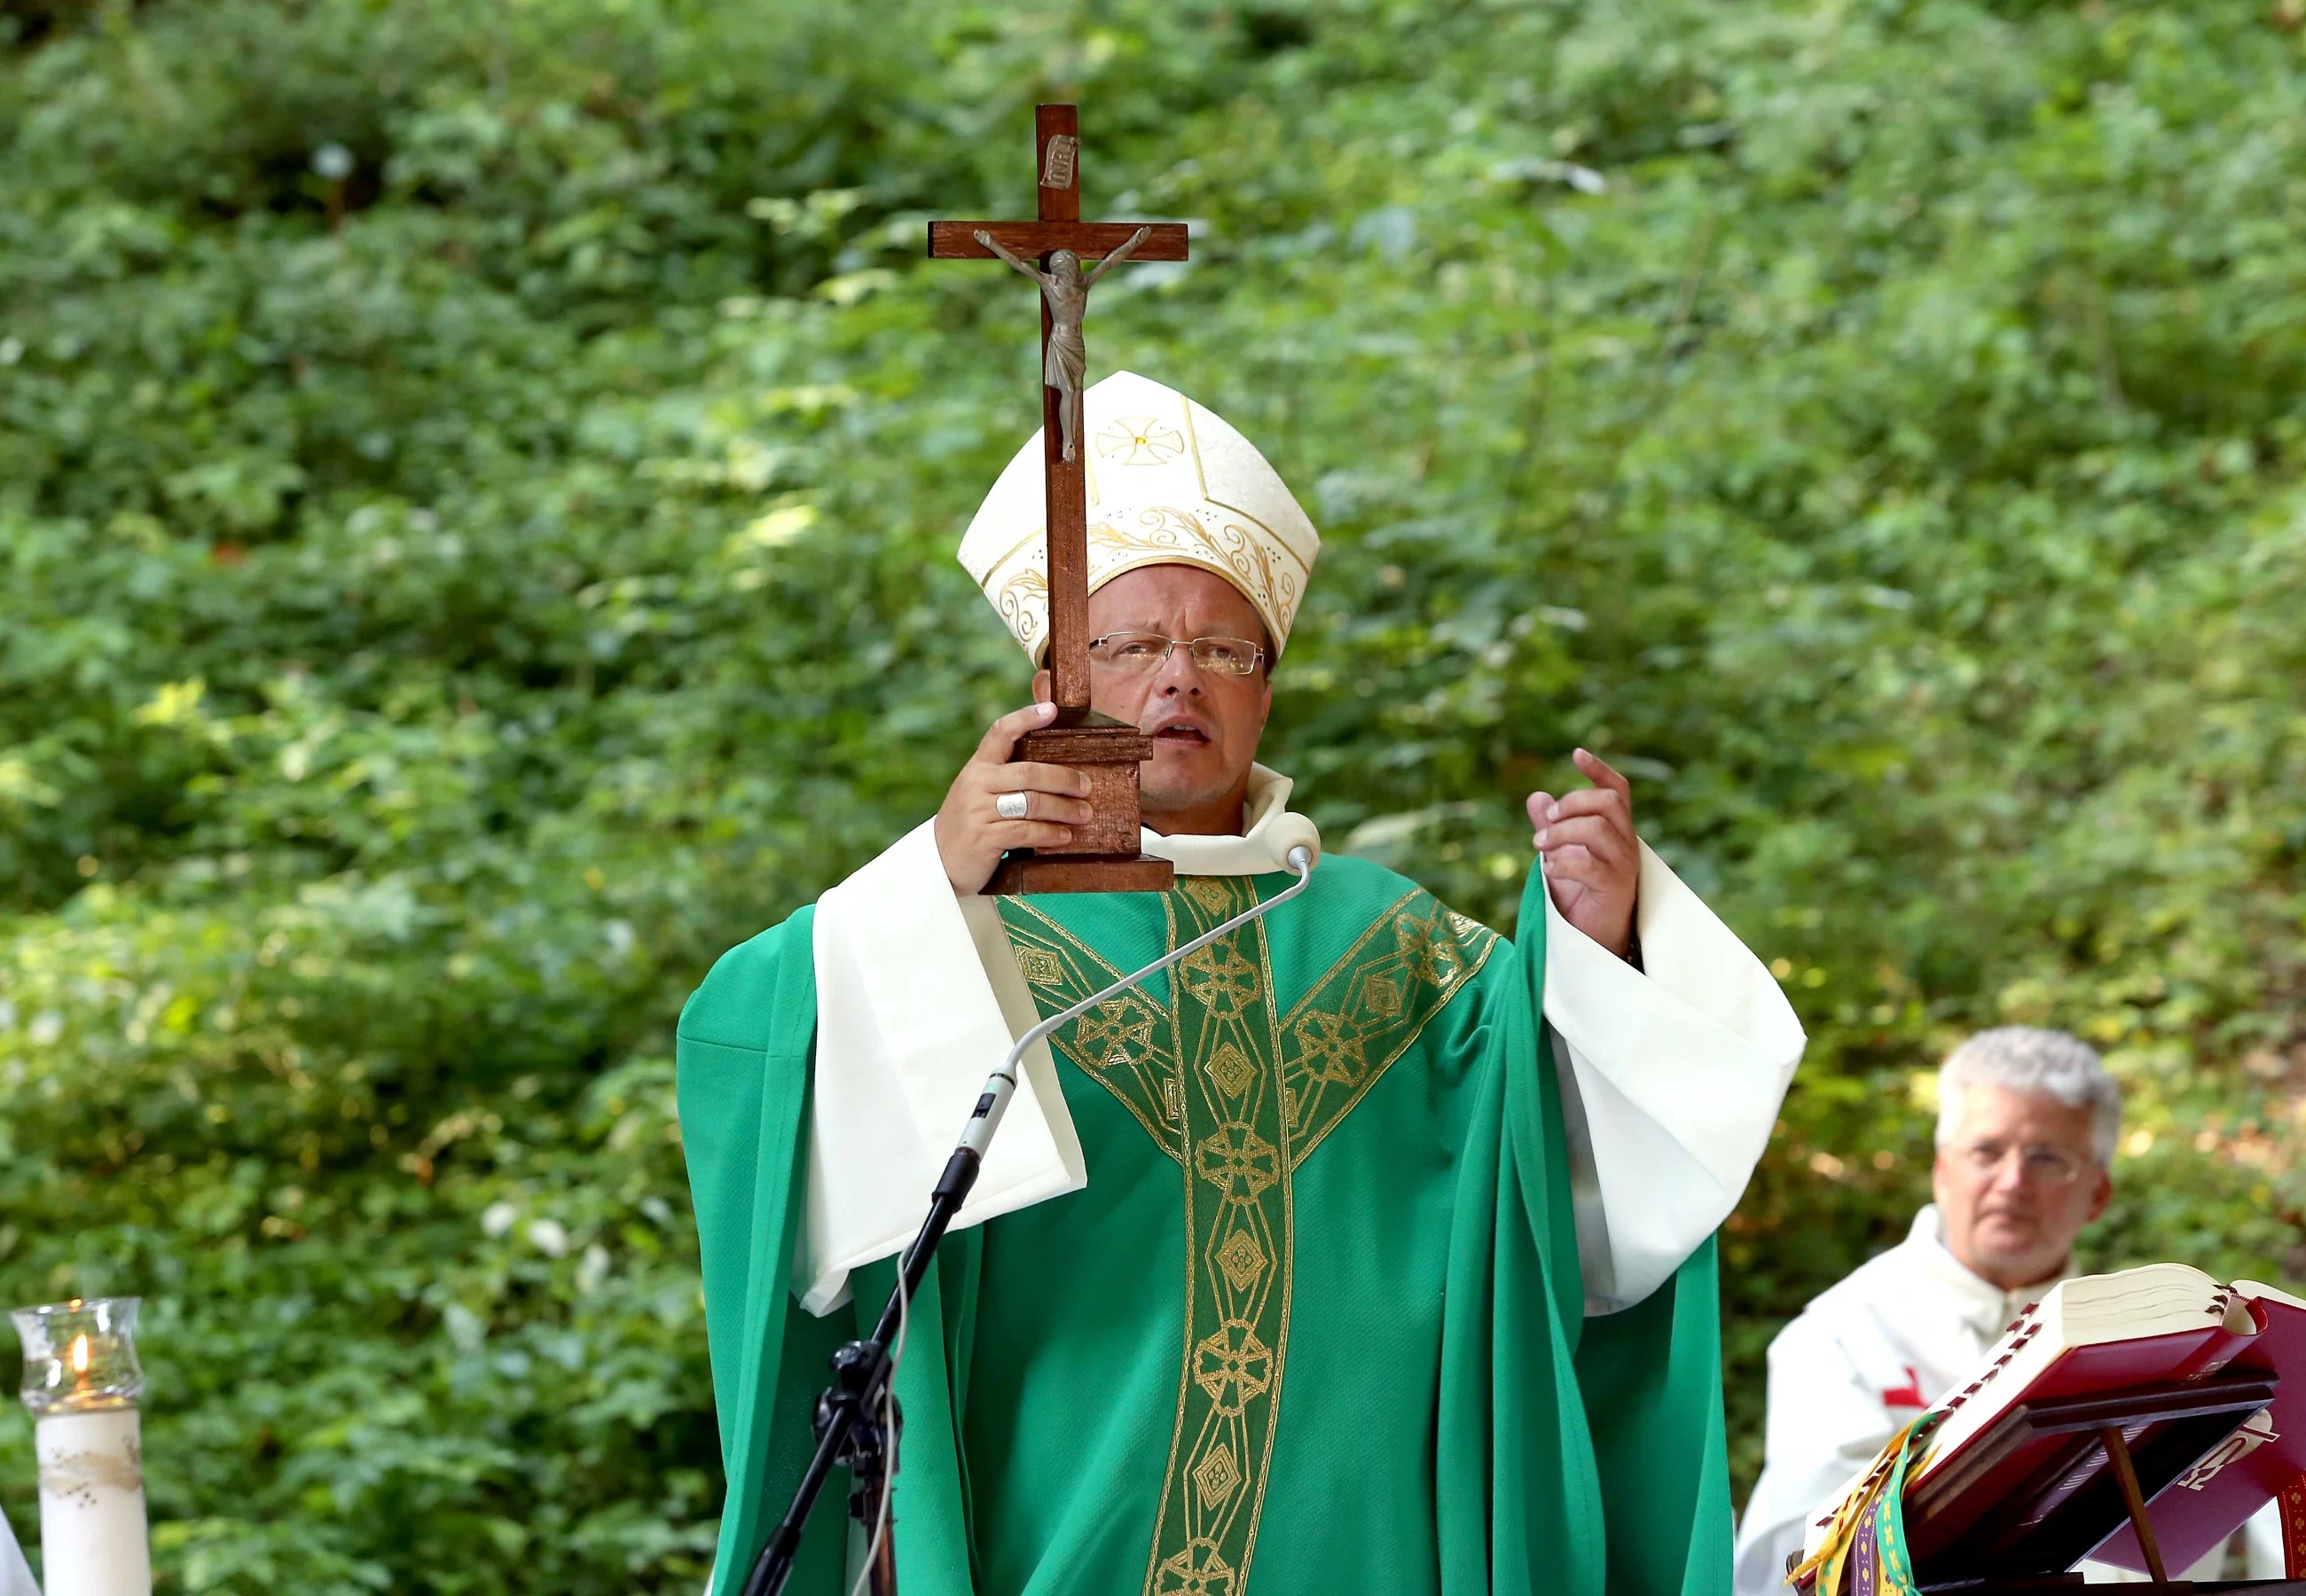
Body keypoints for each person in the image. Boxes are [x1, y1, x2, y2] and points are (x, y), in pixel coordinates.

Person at [678, 370, 1808, 1596]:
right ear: (1060, 677)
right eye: (1133, 644)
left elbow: (1586, 1183)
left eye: (1224, 648)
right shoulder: (972, 929)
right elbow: (750, 1050)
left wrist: (1604, 944)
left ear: (1265, 691)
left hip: (1361, 1544)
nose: (1180, 678)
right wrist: (931, 884)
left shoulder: (1400, 947)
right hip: (1055, 1522)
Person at [1732, 1027, 2281, 1592]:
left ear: (2098, 1194)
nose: (2012, 1182)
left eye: (2047, 1158)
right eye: (1986, 1152)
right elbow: (1798, 1563)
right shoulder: (1837, 1337)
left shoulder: (2167, 1343)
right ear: (1942, 1172)